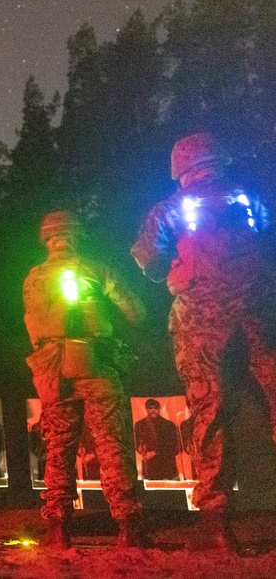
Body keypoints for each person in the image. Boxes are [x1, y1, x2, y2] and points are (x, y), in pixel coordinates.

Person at [132, 131, 275, 550]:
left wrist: (173, 269)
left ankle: (215, 524)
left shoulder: (170, 209)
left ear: (181, 169)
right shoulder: (251, 199)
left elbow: (148, 260)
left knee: (208, 410)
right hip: (259, 317)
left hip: (201, 324)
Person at [24, 211, 146, 549]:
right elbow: (136, 312)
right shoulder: (97, 269)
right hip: (97, 365)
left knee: (59, 448)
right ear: (77, 236)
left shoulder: (33, 278)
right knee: (111, 444)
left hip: (53, 373)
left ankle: (59, 529)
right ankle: (128, 527)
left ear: (46, 238)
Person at [133, 399, 180, 480]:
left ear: (159, 409)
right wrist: (141, 451)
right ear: (146, 409)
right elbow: (136, 443)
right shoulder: (139, 425)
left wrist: (156, 452)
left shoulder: (169, 425)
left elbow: (175, 447)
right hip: (149, 469)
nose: (153, 410)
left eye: (156, 408)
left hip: (167, 470)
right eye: (150, 408)